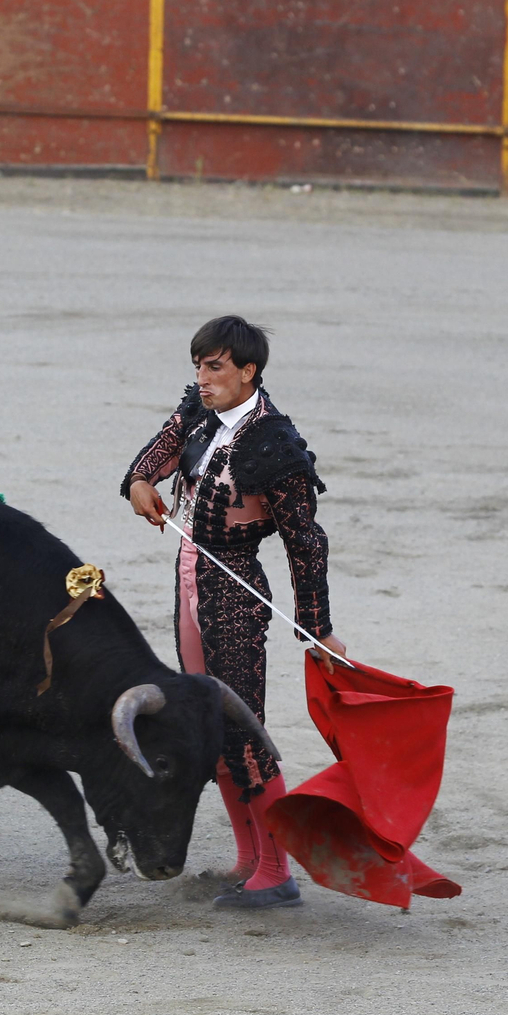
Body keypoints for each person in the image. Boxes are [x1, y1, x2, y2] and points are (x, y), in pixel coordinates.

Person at [121, 315, 347, 909]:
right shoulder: (198, 410)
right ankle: (249, 858)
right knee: (208, 722)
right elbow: (157, 452)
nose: (202, 377)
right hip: (189, 579)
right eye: (198, 365)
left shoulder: (276, 443)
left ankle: (278, 871)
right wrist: (140, 480)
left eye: (215, 367)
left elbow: (306, 542)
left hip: (235, 591)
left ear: (249, 371)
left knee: (244, 728)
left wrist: (318, 628)